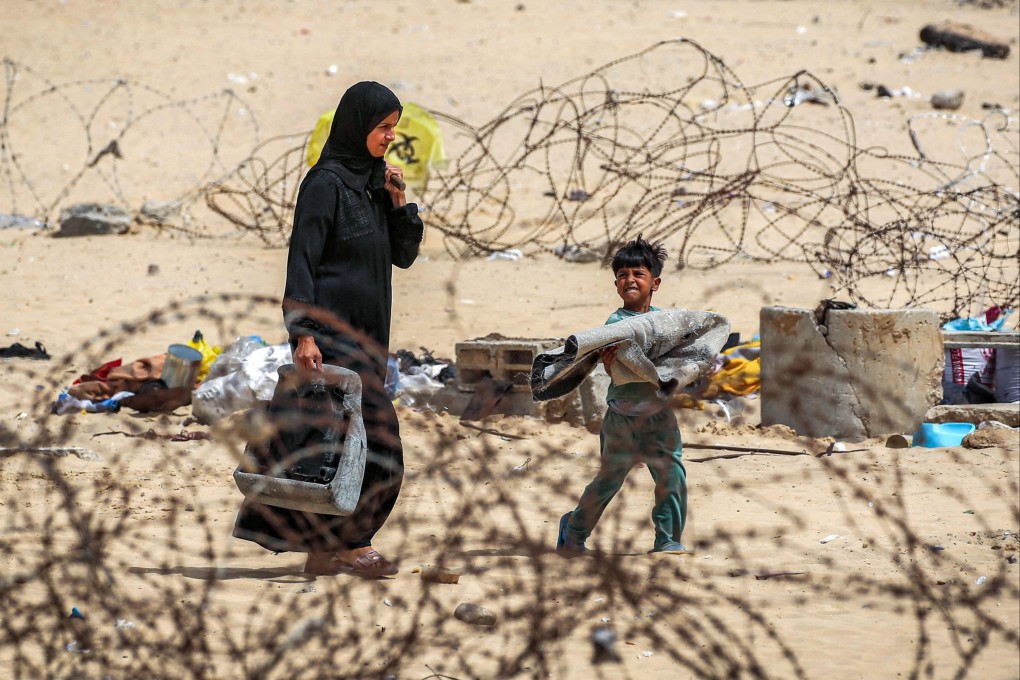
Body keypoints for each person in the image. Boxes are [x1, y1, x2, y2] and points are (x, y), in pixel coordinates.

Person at [233, 81, 423, 577]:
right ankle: (355, 540)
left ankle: (324, 546)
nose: (388, 138)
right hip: (331, 338)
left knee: (337, 448)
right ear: (357, 127)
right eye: (382, 128)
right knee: (381, 443)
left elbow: (403, 256)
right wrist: (303, 334)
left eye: (392, 130)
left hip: (369, 338)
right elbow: (303, 262)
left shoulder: (375, 183)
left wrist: (400, 202)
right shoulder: (325, 185)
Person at [556, 235, 688, 555]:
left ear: (654, 282)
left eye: (638, 274)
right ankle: (573, 532)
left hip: (657, 414)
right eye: (622, 276)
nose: (629, 280)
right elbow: (620, 368)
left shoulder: (663, 322)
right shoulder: (616, 324)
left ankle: (668, 538)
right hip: (622, 417)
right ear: (616, 285)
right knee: (609, 480)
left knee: (671, 476)